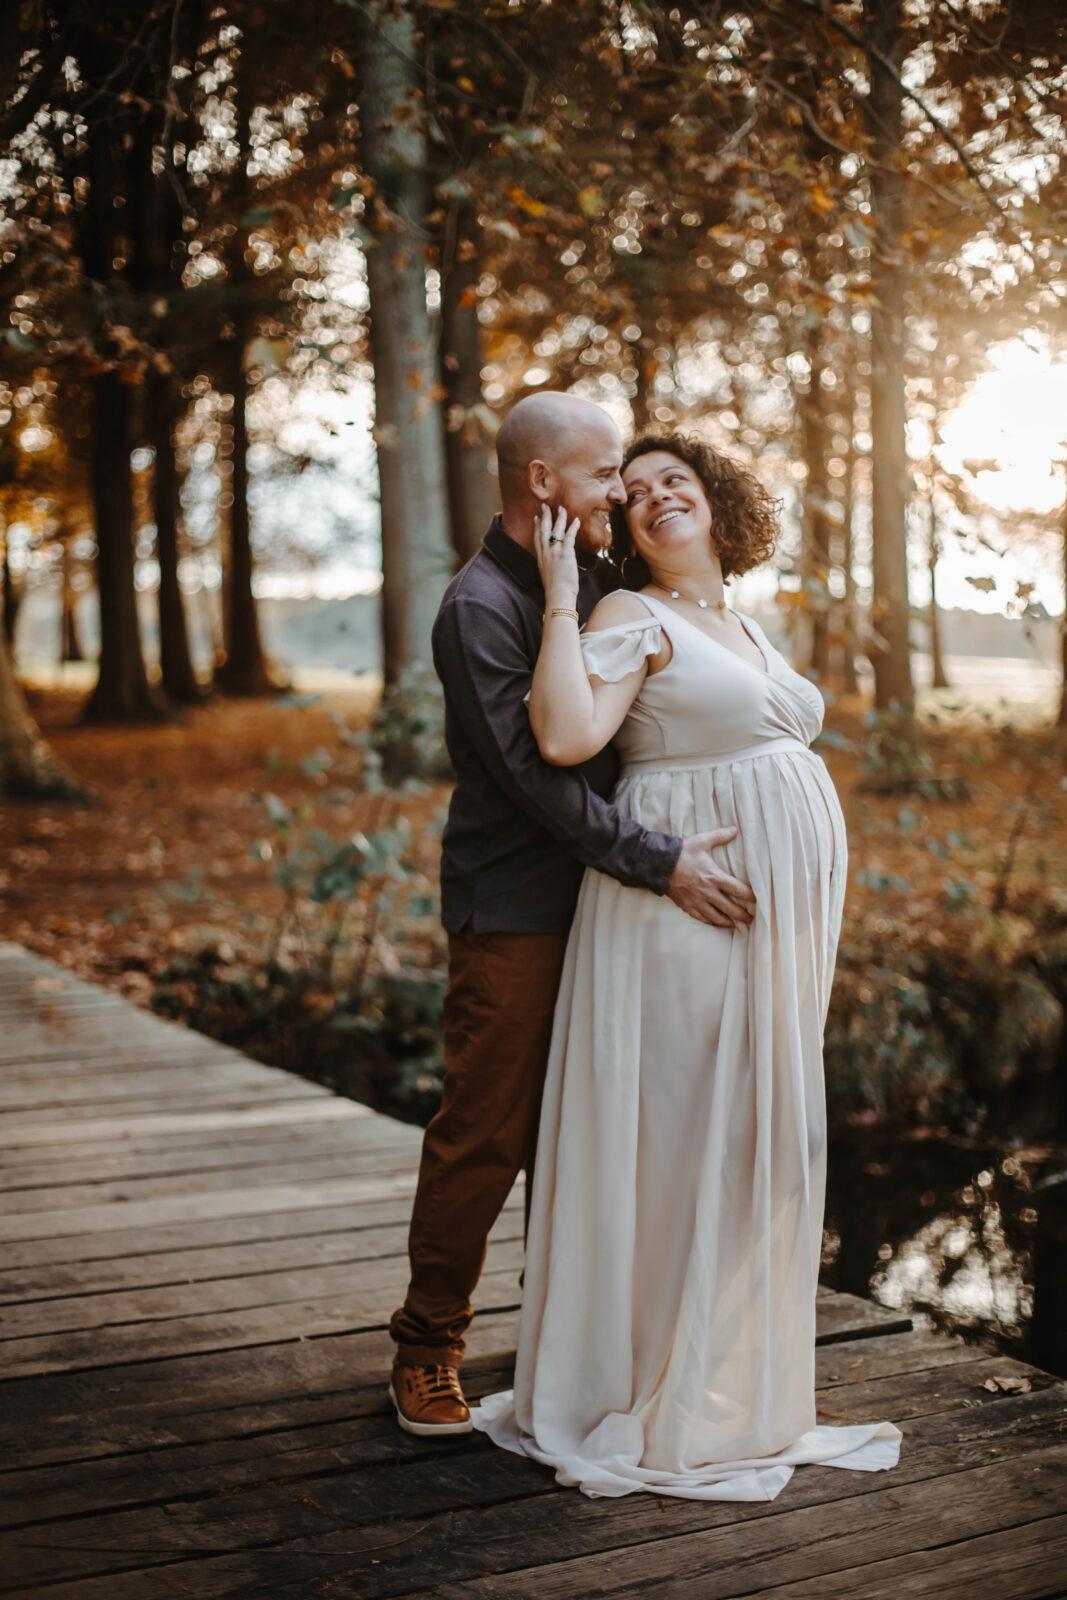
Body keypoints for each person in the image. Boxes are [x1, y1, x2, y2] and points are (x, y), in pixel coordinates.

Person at [468, 433, 904, 1500]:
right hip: (682, 912)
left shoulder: (739, 621)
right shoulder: (627, 614)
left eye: (681, 481)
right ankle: (644, 1385)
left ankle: (706, 1371)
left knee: (757, 1136)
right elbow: (566, 736)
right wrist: (566, 595)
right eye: (639, 489)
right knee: (682, 1140)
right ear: (623, 523)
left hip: (767, 932)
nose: (659, 496)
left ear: (717, 503)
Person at [388, 397, 757, 1436]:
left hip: (612, 898)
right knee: (485, 1132)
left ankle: (568, 1338)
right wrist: (659, 859)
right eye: (605, 476)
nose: (619, 495)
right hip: (519, 906)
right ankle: (426, 1342)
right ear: (543, 482)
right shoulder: (477, 609)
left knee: (594, 1128)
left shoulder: (597, 574)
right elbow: (531, 780)